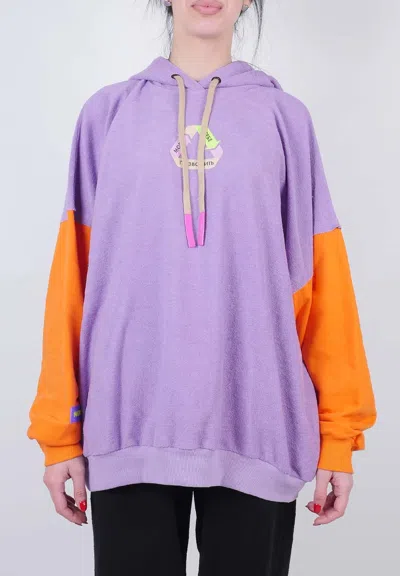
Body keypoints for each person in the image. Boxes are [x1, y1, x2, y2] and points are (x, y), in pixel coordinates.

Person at [27, 1, 377, 575]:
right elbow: (75, 281)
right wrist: (59, 435)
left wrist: (339, 434)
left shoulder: (285, 119)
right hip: (128, 424)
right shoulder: (107, 116)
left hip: (258, 428)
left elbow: (322, 282)